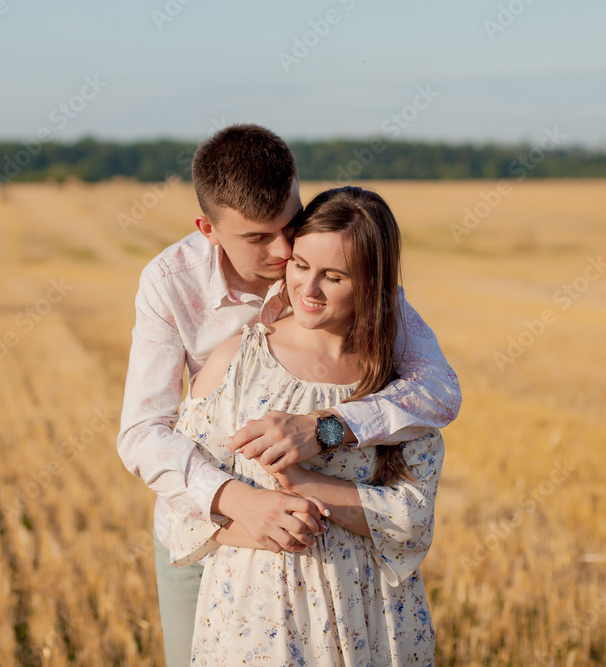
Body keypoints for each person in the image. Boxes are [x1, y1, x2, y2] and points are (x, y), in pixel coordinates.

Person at [116, 124, 460, 665]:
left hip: (343, 566)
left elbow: (437, 390)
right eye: (257, 238)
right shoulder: (170, 281)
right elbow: (142, 434)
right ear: (208, 228)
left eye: (289, 224)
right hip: (207, 525)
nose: (283, 252)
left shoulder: (335, 261)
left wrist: (326, 427)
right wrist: (239, 503)